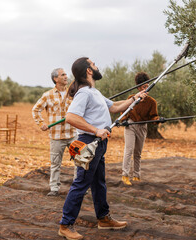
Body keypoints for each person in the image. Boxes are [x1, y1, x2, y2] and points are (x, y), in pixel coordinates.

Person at [58, 57, 148, 240]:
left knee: (99, 183)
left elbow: (115, 107)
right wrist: (96, 130)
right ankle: (65, 225)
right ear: (89, 71)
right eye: (93, 64)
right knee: (81, 184)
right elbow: (71, 117)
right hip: (89, 143)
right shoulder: (84, 93)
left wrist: (134, 99)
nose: (97, 66)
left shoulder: (94, 92)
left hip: (99, 144)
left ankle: (103, 219)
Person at [32, 68, 77, 196]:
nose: (65, 76)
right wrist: (41, 124)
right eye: (62, 75)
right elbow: (35, 110)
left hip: (73, 134)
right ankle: (54, 188)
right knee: (55, 163)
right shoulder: (48, 95)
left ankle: (78, 187)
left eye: (65, 74)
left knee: (79, 161)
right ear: (55, 79)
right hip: (56, 136)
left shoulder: (72, 94)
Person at [120, 72, 159, 186]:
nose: (146, 89)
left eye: (147, 86)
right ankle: (125, 175)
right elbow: (124, 112)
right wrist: (124, 120)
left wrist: (158, 119)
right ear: (138, 87)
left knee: (138, 152)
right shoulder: (131, 99)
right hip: (130, 125)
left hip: (142, 126)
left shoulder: (152, 102)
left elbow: (153, 116)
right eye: (143, 87)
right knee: (129, 150)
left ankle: (136, 175)